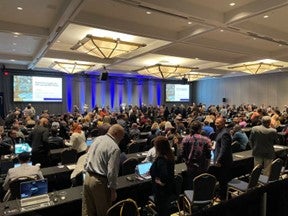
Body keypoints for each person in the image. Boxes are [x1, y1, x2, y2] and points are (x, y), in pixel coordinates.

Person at [82, 124, 125, 216]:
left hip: (87, 178)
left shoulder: (97, 139)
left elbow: (87, 157)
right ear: (116, 133)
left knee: (87, 211)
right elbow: (112, 171)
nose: (121, 140)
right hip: (100, 182)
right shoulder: (114, 148)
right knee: (104, 212)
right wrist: (113, 190)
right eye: (121, 137)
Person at [181, 120, 212, 189]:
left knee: (191, 185)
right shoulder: (206, 140)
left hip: (190, 167)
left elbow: (182, 154)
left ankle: (190, 198)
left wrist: (187, 162)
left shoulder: (185, 139)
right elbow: (208, 155)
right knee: (201, 186)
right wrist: (207, 166)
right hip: (202, 166)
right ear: (200, 129)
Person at [149, 136, 175, 216]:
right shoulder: (170, 155)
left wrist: (161, 182)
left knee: (161, 210)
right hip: (168, 189)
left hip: (161, 191)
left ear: (158, 147)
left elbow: (164, 174)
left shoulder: (161, 159)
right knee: (165, 209)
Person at [212, 117, 233, 201]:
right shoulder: (220, 132)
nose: (216, 124)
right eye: (216, 123)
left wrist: (218, 160)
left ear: (223, 123)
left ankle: (223, 198)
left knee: (223, 181)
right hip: (221, 160)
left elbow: (224, 149)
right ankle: (221, 195)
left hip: (223, 161)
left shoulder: (225, 133)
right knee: (221, 180)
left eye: (218, 123)